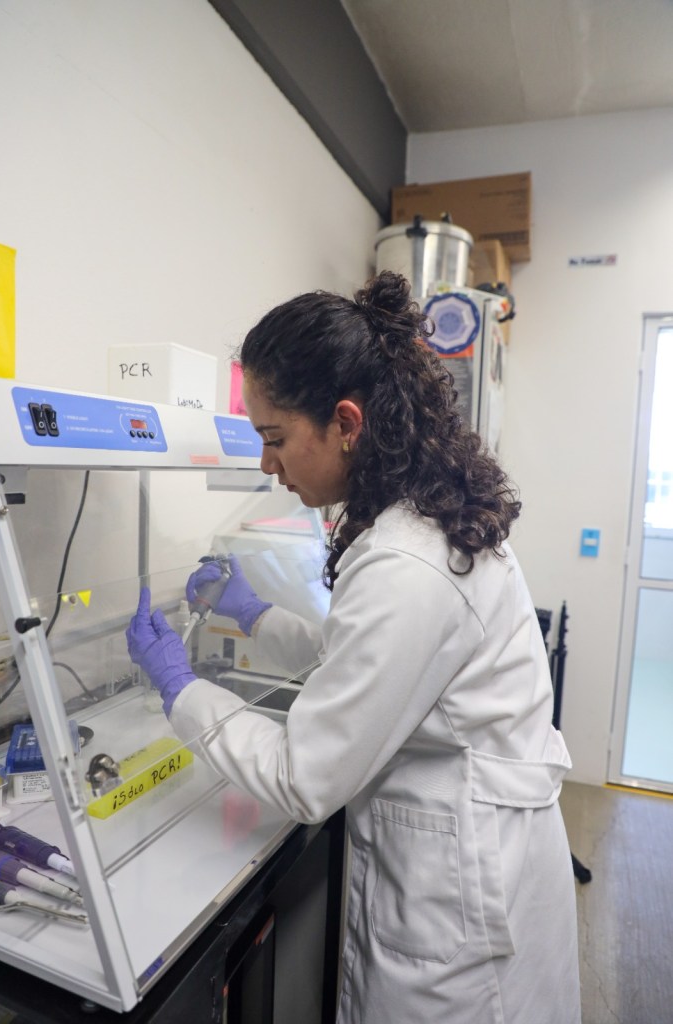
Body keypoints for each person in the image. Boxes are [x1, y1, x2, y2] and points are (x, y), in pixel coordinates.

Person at [127, 270, 581, 1024]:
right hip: (474, 854)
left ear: (345, 422)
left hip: (461, 909)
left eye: (275, 438)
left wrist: (181, 687)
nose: (267, 464)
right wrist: (254, 614)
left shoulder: (407, 560)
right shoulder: (416, 507)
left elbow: (306, 778)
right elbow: (370, 663)